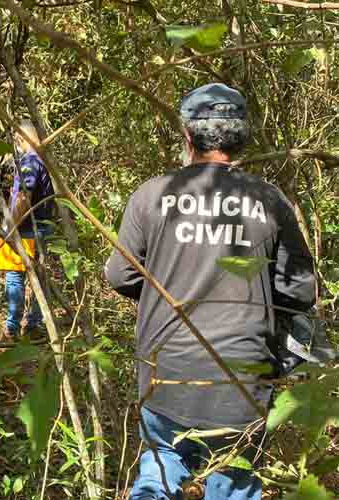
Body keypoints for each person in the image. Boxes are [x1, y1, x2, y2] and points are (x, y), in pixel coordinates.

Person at [105, 83, 316, 500]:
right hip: (242, 381)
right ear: (240, 138)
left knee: (158, 472)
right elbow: (298, 290)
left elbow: (121, 276)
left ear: (187, 136)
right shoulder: (270, 201)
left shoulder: (152, 195)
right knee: (234, 484)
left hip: (165, 372)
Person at [4, 120, 55, 338]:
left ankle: (14, 326)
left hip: (27, 230)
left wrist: (10, 226)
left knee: (15, 278)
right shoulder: (41, 162)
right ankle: (33, 324)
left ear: (21, 139)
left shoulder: (30, 163)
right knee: (38, 278)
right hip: (39, 229)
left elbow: (24, 196)